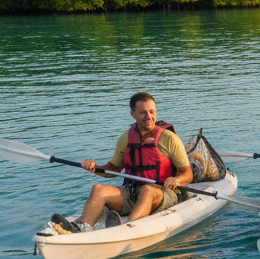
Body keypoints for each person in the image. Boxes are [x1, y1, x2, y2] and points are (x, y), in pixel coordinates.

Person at [51, 93, 192, 233]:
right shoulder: (125, 138)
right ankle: (81, 228)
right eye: (143, 112)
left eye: (151, 111)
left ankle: (128, 227)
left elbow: (187, 174)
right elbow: (114, 169)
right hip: (132, 192)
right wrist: (94, 167)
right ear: (133, 114)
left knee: (147, 190)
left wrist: (176, 180)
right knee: (98, 189)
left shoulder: (169, 139)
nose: (148, 116)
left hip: (163, 193)